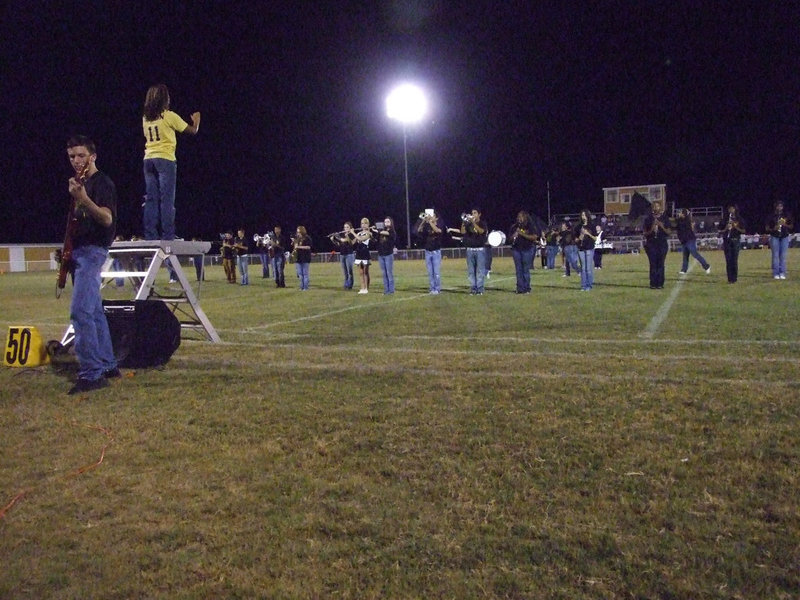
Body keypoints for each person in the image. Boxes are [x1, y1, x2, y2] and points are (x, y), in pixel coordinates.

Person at [64, 135, 119, 394]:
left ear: (93, 156)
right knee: (94, 312)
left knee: (81, 312)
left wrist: (84, 199)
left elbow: (107, 219)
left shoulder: (101, 183)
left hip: (92, 252)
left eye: (81, 155)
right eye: (72, 156)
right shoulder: (80, 184)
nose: (76, 160)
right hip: (79, 252)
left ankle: (91, 374)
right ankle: (108, 365)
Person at [141, 84, 200, 241]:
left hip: (148, 159)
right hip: (165, 159)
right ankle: (168, 235)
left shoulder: (145, 118)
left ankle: (150, 235)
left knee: (151, 198)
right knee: (166, 199)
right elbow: (192, 131)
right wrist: (197, 122)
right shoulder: (169, 116)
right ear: (164, 99)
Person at [449, 208, 487, 294]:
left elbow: (481, 231)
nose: (473, 215)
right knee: (471, 271)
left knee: (480, 271)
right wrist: (464, 221)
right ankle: (473, 289)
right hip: (469, 250)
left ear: (479, 214)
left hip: (480, 250)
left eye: (475, 213)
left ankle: (480, 289)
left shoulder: (482, 223)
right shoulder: (467, 223)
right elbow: (462, 232)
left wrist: (473, 223)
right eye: (472, 213)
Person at [643, 201, 671, 289]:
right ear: (652, 208)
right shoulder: (648, 219)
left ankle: (660, 283)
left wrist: (661, 226)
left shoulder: (665, 218)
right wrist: (652, 228)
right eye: (654, 207)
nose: (656, 208)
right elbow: (645, 233)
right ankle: (653, 283)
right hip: (651, 243)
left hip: (662, 243)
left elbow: (669, 232)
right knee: (653, 264)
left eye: (657, 206)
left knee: (661, 263)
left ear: (660, 208)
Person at [509, 210, 538, 293]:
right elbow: (509, 239)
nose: (519, 218)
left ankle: (527, 288)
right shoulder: (514, 227)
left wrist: (522, 234)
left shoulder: (530, 226)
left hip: (527, 249)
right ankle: (520, 288)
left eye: (521, 216)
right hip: (516, 250)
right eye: (518, 217)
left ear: (525, 217)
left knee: (525, 269)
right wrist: (514, 235)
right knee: (518, 270)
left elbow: (534, 237)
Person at [675, 208, 711, 275]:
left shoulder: (686, 220)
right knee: (685, 256)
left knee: (695, 254)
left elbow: (683, 224)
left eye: (681, 213)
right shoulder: (680, 220)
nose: (679, 214)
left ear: (684, 214)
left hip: (689, 239)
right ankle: (684, 270)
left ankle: (706, 266)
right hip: (683, 240)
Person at [417, 210, 445, 294]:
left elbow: (437, 231)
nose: (430, 217)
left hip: (436, 252)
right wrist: (423, 221)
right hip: (428, 252)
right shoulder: (427, 226)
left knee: (436, 272)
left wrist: (429, 222)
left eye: (432, 216)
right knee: (430, 272)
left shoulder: (440, 225)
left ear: (436, 218)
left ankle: (437, 288)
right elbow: (418, 230)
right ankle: (432, 288)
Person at [719, 204, 746, 283]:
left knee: (734, 260)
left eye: (732, 208)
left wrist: (735, 227)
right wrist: (725, 228)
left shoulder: (739, 219)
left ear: (735, 209)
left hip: (735, 240)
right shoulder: (724, 219)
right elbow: (719, 231)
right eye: (730, 208)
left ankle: (734, 278)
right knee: (728, 260)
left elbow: (744, 231)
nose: (731, 210)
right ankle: (730, 279)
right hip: (727, 240)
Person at [766, 201, 793, 280]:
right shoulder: (771, 216)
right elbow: (767, 228)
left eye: (781, 206)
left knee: (783, 256)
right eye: (778, 206)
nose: (779, 208)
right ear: (775, 207)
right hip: (775, 237)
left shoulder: (786, 215)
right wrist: (773, 228)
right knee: (775, 256)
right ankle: (776, 273)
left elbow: (791, 226)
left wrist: (785, 225)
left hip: (784, 237)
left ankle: (782, 273)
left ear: (782, 207)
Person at [329, 222, 356, 289]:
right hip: (342, 254)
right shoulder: (342, 235)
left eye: (347, 227)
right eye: (345, 227)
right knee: (345, 271)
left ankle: (350, 285)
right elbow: (339, 244)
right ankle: (346, 284)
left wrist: (337, 237)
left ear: (350, 228)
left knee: (350, 271)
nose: (345, 228)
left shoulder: (352, 234)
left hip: (349, 254)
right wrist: (333, 240)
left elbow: (345, 241)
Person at [575, 209, 597, 291]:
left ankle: (589, 285)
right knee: (583, 268)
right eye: (582, 215)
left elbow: (595, 238)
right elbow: (576, 240)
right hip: (581, 249)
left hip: (589, 248)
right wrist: (580, 236)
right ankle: (583, 286)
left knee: (588, 268)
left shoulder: (592, 225)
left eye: (584, 215)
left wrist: (588, 234)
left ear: (588, 216)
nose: (583, 217)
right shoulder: (578, 227)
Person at [376, 217, 397, 294]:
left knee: (389, 273)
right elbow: (376, 240)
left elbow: (388, 234)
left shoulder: (392, 232)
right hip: (381, 255)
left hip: (388, 255)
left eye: (388, 221)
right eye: (385, 222)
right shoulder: (381, 232)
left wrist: (378, 231)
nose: (386, 223)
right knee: (384, 273)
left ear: (391, 223)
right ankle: (386, 290)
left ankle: (391, 290)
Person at [353, 218, 373, 294]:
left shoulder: (369, 233)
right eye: (362, 223)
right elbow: (352, 242)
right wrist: (349, 234)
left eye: (365, 223)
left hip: (365, 253)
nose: (363, 225)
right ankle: (362, 288)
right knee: (360, 272)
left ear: (368, 225)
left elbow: (361, 239)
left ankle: (366, 288)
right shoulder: (358, 233)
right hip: (359, 253)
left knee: (365, 272)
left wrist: (353, 233)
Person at [292, 226, 312, 290]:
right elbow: (295, 247)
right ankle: (301, 287)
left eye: (299, 232)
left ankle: (305, 287)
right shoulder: (297, 239)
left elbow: (308, 247)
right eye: (297, 232)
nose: (297, 233)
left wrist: (299, 247)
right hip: (298, 258)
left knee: (305, 274)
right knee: (300, 274)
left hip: (305, 258)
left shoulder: (307, 238)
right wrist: (294, 243)